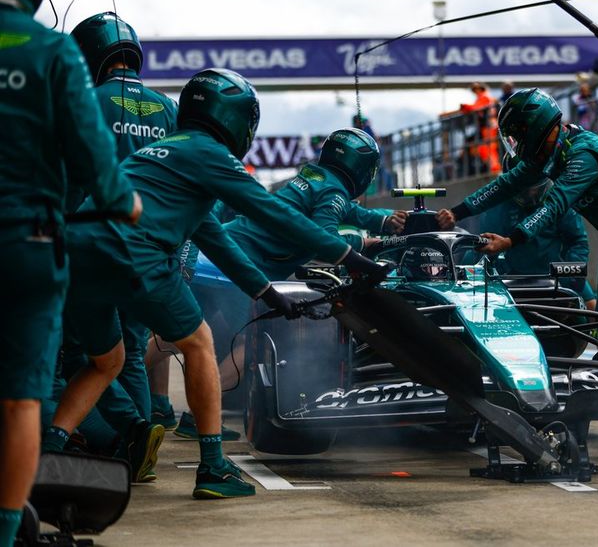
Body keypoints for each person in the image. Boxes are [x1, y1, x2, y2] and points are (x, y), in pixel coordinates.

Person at [46, 68, 388, 500]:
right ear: (238, 120)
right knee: (199, 342)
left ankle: (50, 450)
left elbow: (215, 237)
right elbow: (273, 212)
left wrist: (266, 293)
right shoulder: (209, 154)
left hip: (76, 251)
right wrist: (351, 257)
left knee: (105, 362)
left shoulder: (162, 154)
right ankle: (213, 467)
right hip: (131, 248)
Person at [0, 0, 141, 545]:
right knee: (21, 399)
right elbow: (99, 167)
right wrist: (123, 201)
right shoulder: (55, 52)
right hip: (28, 245)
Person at [149, 128, 406, 434]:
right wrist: (364, 244)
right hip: (236, 267)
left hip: (210, 257)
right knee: (250, 343)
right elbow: (325, 238)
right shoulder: (334, 192)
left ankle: (126, 377)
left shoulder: (315, 178)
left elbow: (351, 212)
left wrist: (385, 220)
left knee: (181, 331)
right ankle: (198, 417)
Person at [436, 88, 598, 339]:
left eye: (517, 135)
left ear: (533, 129)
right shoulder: (549, 155)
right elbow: (505, 184)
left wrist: (509, 241)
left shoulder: (584, 153)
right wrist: (455, 213)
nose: (516, 143)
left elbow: (554, 205)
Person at [59, 11, 178, 481]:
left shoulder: (83, 100)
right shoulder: (168, 109)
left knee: (79, 353)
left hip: (89, 248)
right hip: (149, 254)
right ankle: (139, 452)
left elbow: (66, 180)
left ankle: (115, 437)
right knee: (130, 352)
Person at [480, 154, 596, 308]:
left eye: (535, 187)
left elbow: (577, 241)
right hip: (510, 276)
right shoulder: (498, 205)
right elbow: (483, 246)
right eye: (524, 188)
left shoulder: (559, 199)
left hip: (555, 273)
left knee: (592, 307)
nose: (530, 193)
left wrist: (572, 278)